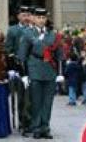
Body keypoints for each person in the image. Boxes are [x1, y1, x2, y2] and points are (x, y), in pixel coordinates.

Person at [18, 7, 59, 140]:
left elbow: (59, 54)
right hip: (34, 67)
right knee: (36, 101)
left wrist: (60, 72)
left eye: (43, 18)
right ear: (34, 19)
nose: (41, 20)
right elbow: (22, 55)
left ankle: (45, 127)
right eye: (39, 17)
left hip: (49, 69)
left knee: (48, 101)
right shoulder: (28, 33)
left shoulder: (52, 34)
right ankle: (36, 127)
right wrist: (24, 74)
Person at [6, 6, 33, 132]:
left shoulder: (33, 30)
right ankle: (24, 123)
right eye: (23, 15)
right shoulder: (13, 30)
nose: (26, 17)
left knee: (33, 97)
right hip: (20, 68)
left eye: (28, 15)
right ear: (18, 16)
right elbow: (8, 49)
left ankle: (33, 122)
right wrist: (12, 67)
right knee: (22, 98)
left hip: (33, 67)